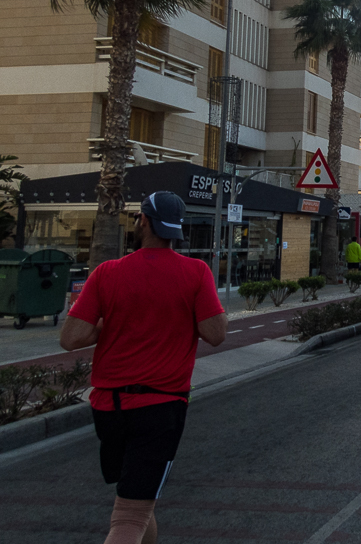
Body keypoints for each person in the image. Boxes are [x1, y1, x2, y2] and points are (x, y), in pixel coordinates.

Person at [60, 191, 227, 544]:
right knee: (130, 516)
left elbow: (71, 337)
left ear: (144, 221)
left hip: (108, 408)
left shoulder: (107, 272)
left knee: (134, 500)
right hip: (160, 407)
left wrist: (112, 322)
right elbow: (216, 334)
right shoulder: (195, 272)